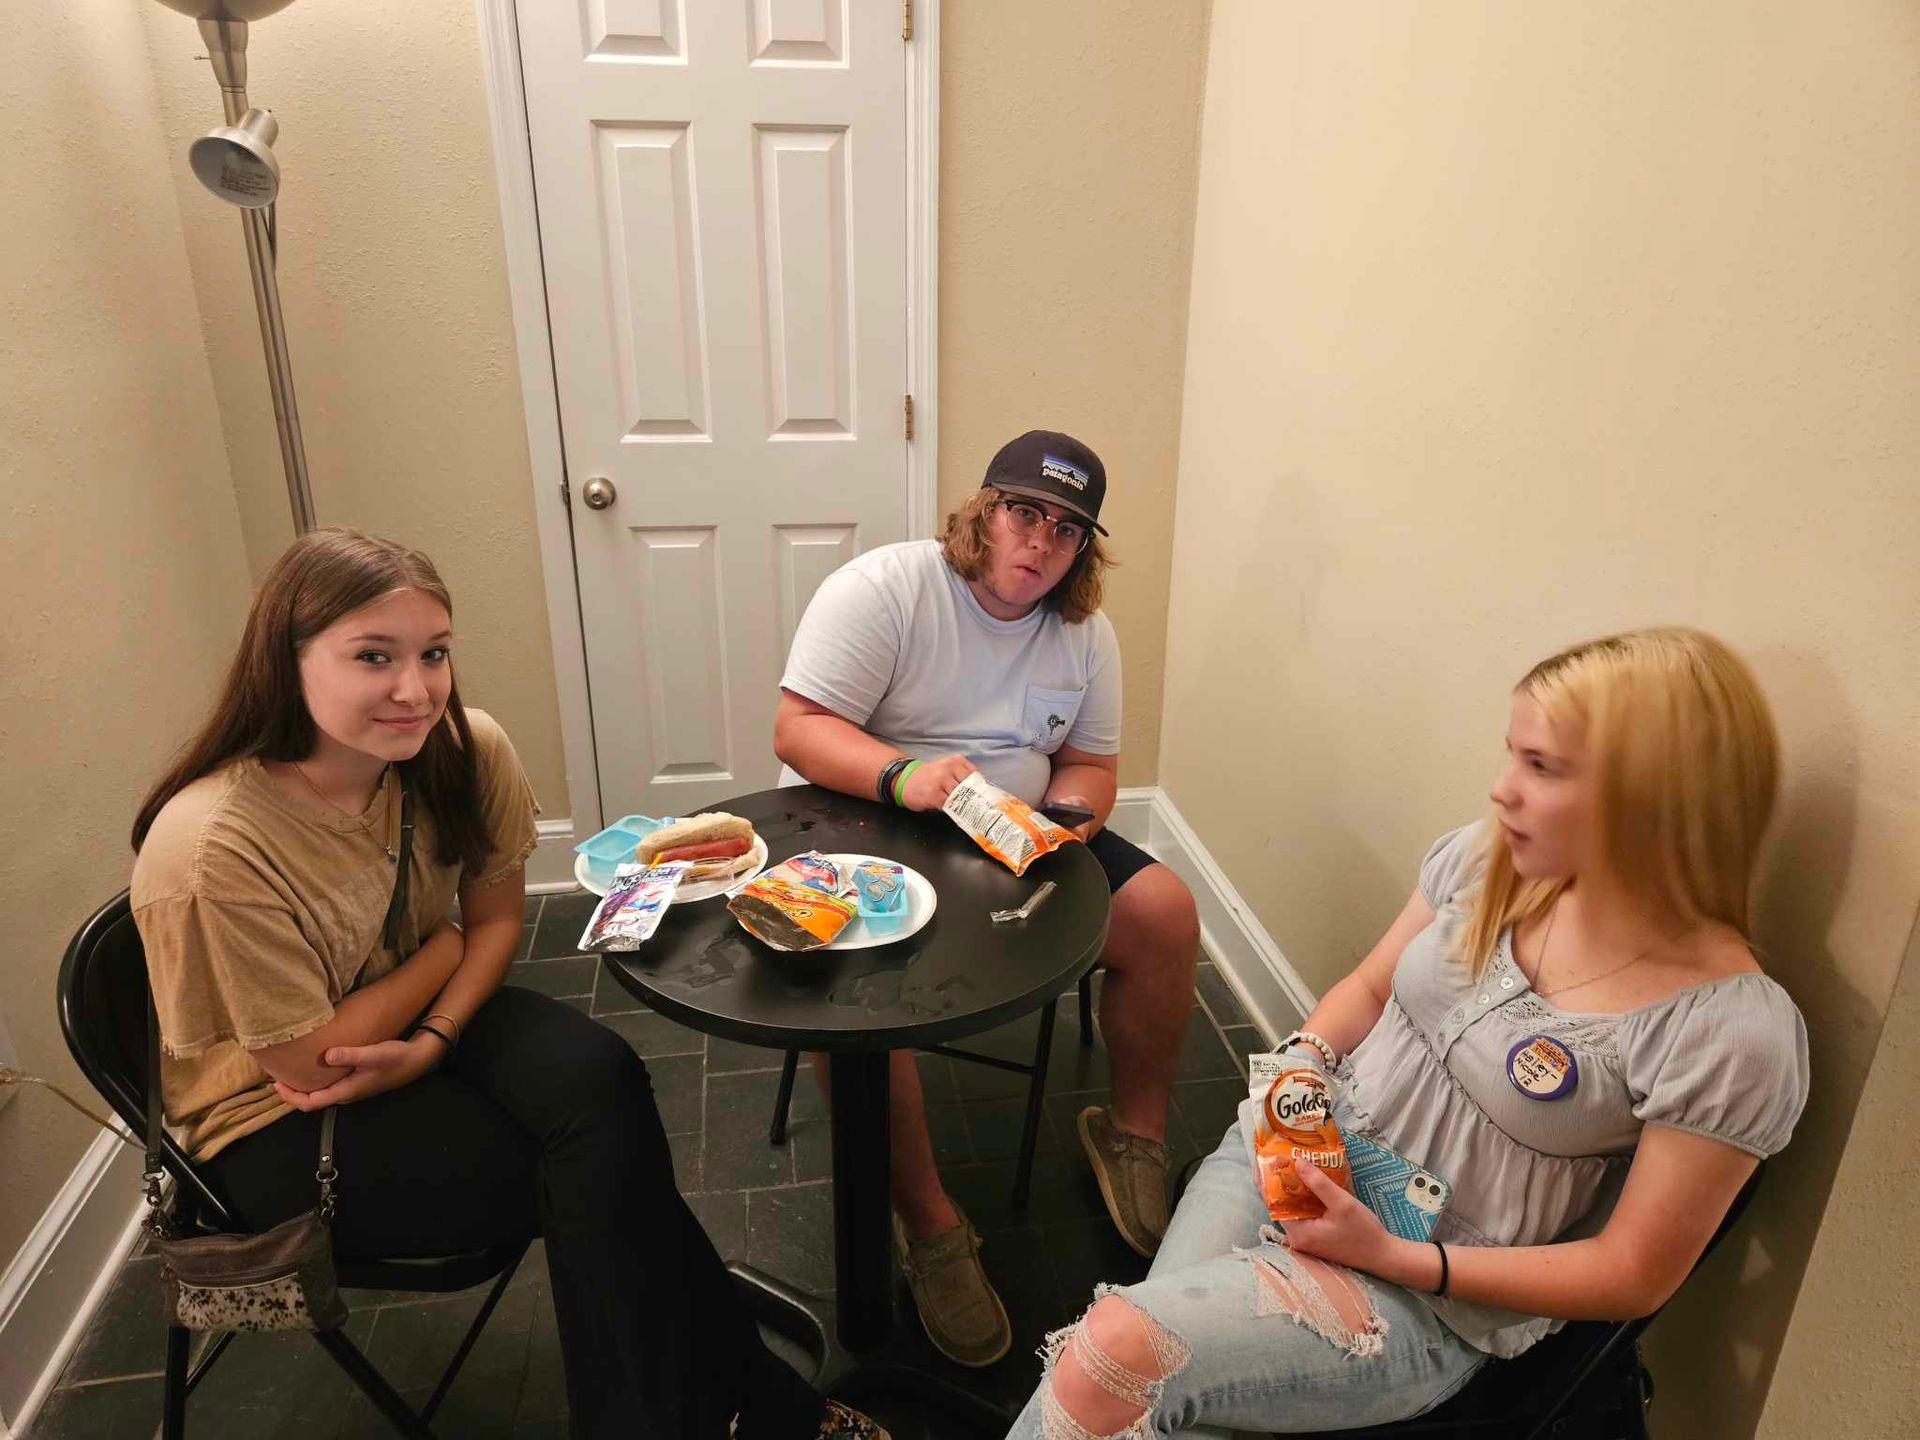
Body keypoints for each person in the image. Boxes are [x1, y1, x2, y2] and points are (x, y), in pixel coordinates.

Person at [130, 528, 884, 1440]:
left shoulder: (461, 748)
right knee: (594, 1175)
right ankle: (758, 1406)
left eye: (434, 653)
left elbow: (490, 923)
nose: (416, 689)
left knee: (604, 1077)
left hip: (405, 1025)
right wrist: (442, 956)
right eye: (374, 656)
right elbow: (305, 1058)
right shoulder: (212, 847)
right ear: (285, 660)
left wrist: (435, 1032)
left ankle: (716, 1411)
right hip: (270, 1121)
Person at [1008, 626, 1810, 1437]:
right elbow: (1365, 986)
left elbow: (1632, 1273)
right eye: (1512, 756)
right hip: (1300, 1153)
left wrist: (1395, 1257)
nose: (1503, 791)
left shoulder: (1729, 1033)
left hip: (1425, 1293)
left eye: (1542, 767)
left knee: (1118, 1351)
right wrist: (1303, 1065)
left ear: (1654, 796)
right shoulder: (1493, 861)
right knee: (1149, 1394)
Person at [774, 431, 1202, 1367]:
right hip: (874, 818)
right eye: (1024, 512)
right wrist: (904, 777)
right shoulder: (885, 589)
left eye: (1068, 528)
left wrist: (1071, 820)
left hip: (1021, 833)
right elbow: (799, 728)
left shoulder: (1087, 630)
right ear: (982, 511)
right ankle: (928, 1222)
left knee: (1166, 912)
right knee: (846, 998)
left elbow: (1091, 762)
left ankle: (1132, 1135)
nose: (1042, 541)